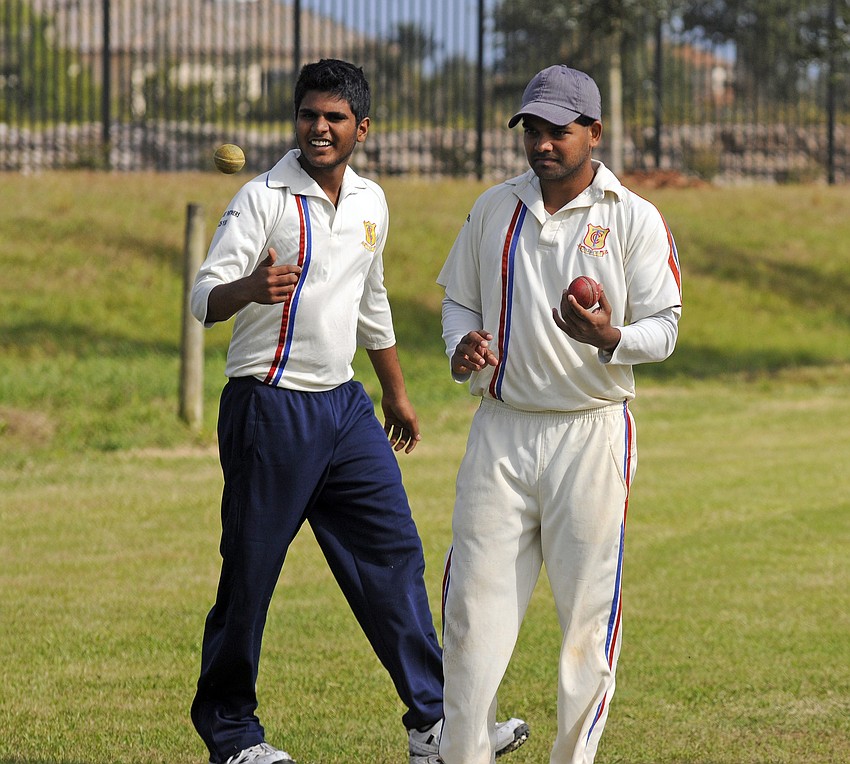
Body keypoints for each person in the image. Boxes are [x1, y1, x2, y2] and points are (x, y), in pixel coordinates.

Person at [188, 59, 529, 764]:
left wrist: (395, 391)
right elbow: (202, 299)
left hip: (344, 410)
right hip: (269, 403)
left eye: (334, 118)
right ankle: (232, 735)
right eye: (309, 115)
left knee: (393, 557)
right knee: (250, 574)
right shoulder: (262, 199)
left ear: (361, 129)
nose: (319, 128)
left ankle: (434, 722)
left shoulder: (372, 202)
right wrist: (249, 286)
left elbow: (371, 303)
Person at [433, 65, 683, 764]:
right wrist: (462, 348)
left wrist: (609, 338)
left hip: (591, 430)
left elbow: (664, 329)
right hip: (502, 432)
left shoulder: (631, 216)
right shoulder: (494, 209)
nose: (542, 143)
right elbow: (459, 300)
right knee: (471, 617)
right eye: (532, 130)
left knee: (586, 623)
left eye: (558, 130)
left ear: (593, 132)